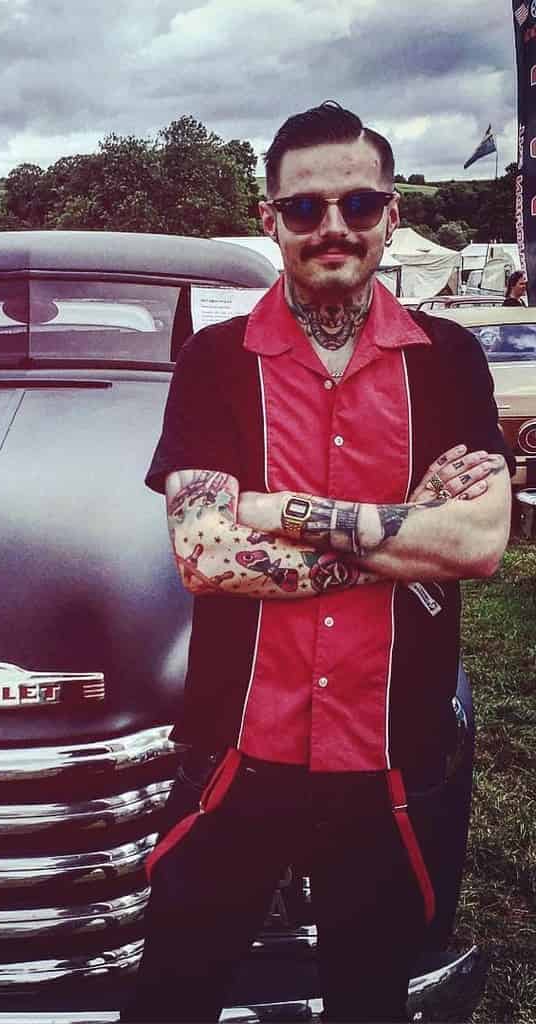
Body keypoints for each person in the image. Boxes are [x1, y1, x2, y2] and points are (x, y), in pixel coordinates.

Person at [124, 101, 513, 1023]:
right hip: (238, 753)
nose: (332, 226)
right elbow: (209, 556)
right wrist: (401, 537)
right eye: (304, 208)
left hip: (389, 757)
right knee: (172, 996)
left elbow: (478, 543)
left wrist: (284, 512)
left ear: (392, 216)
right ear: (272, 222)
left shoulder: (450, 360)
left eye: (359, 203)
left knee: (371, 1001)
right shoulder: (217, 362)